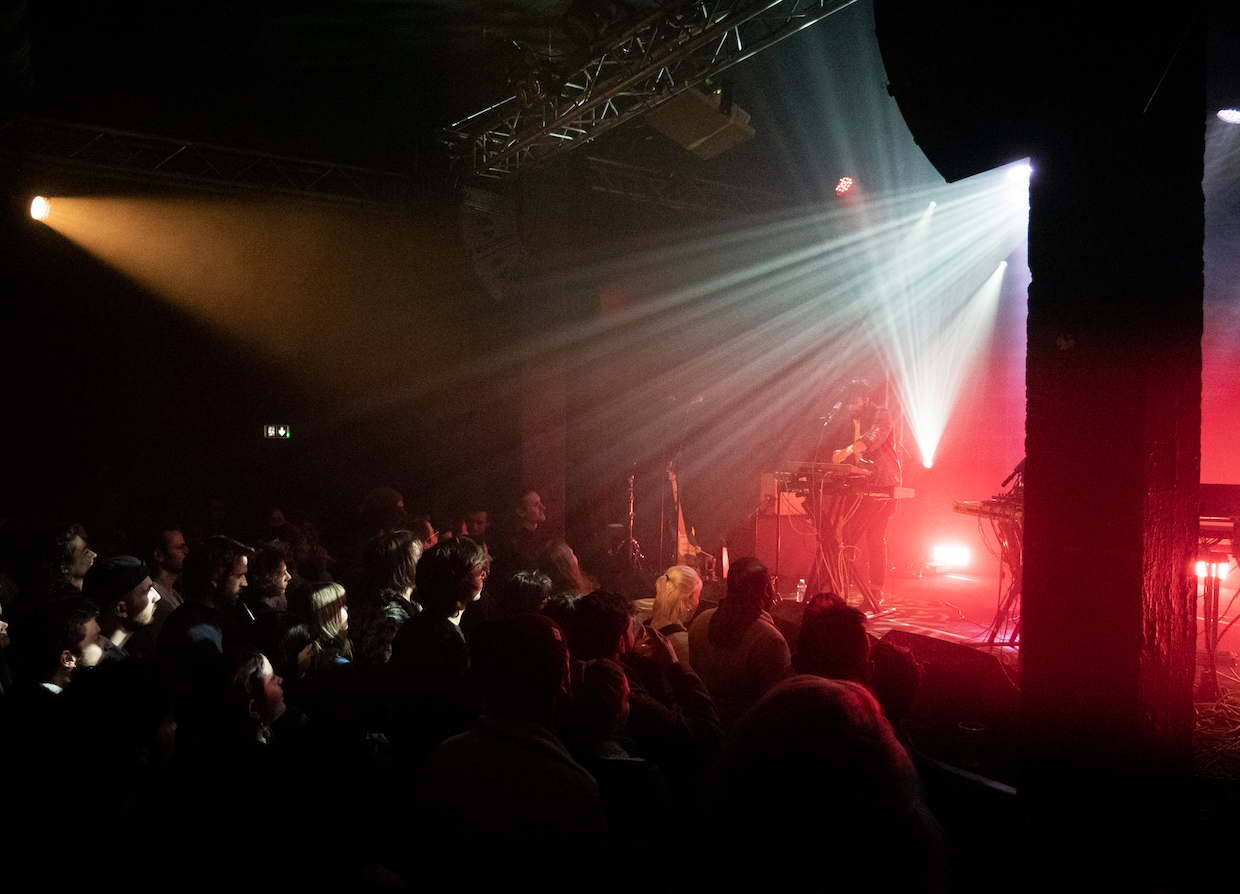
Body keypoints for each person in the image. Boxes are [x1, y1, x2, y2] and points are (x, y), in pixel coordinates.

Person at [686, 556, 792, 730]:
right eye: (771, 582)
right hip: (747, 738)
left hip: (704, 729)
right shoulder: (770, 640)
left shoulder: (700, 622)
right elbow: (779, 707)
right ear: (766, 589)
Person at [820, 378, 902, 603]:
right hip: (859, 484)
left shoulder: (881, 414)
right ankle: (841, 586)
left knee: (875, 538)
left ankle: (876, 591)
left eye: (855, 402)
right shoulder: (849, 420)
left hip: (884, 483)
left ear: (866, 399)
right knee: (845, 534)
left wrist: (847, 450)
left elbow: (874, 437)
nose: (851, 407)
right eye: (848, 403)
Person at [81, 555, 160, 661]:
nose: (158, 597)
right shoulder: (110, 670)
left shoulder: (139, 649)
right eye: (148, 590)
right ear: (121, 609)